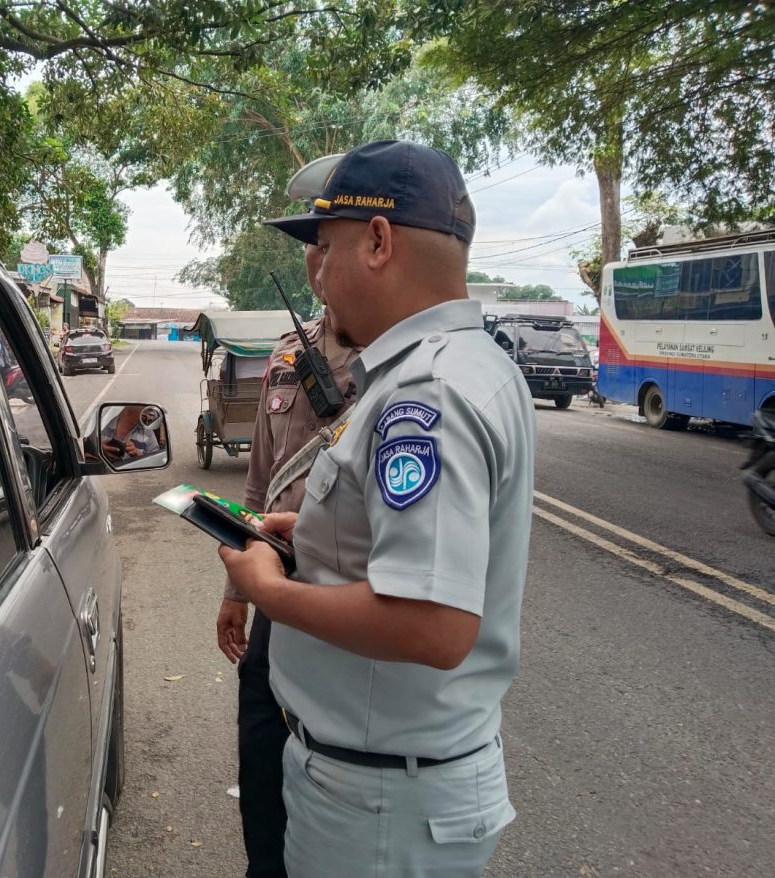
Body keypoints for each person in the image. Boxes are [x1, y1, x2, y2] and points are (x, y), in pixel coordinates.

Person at [219, 140, 535, 878]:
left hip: (378, 806)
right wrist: (319, 536)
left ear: (379, 241)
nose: (315, 272)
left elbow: (432, 624)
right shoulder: (469, 365)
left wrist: (271, 591)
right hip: (388, 782)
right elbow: (414, 548)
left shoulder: (424, 394)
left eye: (323, 247)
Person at [216, 236, 360, 878]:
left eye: (329, 243)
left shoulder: (394, 365)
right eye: (310, 246)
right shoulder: (284, 354)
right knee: (261, 749)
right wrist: (236, 594)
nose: (317, 259)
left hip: (348, 599)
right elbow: (259, 481)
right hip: (277, 581)